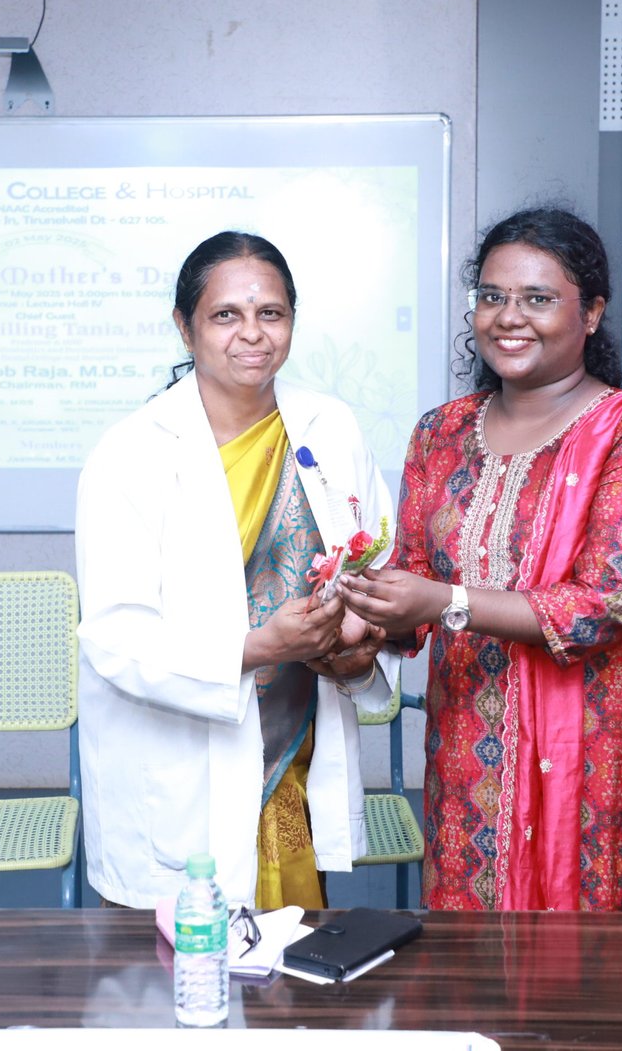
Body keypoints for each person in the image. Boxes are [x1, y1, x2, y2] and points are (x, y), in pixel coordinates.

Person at [340, 207, 622, 913]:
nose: (509, 317)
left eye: (538, 298)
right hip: (467, 761)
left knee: (577, 964)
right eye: (492, 296)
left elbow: (604, 606)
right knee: (466, 955)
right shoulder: (441, 433)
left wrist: (442, 601)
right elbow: (413, 590)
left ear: (592, 313)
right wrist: (356, 620)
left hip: (592, 768)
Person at [75, 231, 398, 910]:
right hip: (182, 764)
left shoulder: (330, 427)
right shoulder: (131, 453)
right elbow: (116, 637)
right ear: (184, 326)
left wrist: (358, 648)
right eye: (226, 314)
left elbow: (377, 566)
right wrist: (256, 648)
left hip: (294, 747)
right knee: (178, 959)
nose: (252, 333)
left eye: (270, 313)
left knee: (298, 959)